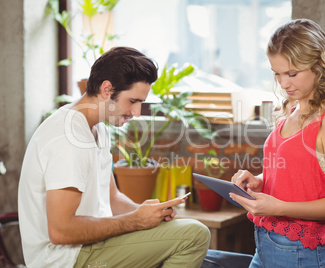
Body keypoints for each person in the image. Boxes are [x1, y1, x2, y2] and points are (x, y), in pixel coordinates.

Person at [18, 47, 210, 268]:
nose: (137, 112)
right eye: (133, 101)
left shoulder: (99, 128)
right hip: (65, 259)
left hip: (92, 245)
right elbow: (61, 231)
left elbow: (112, 198)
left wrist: (143, 212)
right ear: (107, 89)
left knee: (181, 232)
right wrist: (133, 222)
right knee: (194, 235)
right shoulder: (68, 137)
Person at [229, 19, 325, 267]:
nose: (284, 84)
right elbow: (298, 175)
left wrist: (279, 207)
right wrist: (260, 181)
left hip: (302, 253)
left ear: (318, 67)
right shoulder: (290, 108)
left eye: (292, 74)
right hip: (264, 245)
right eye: (277, 74)